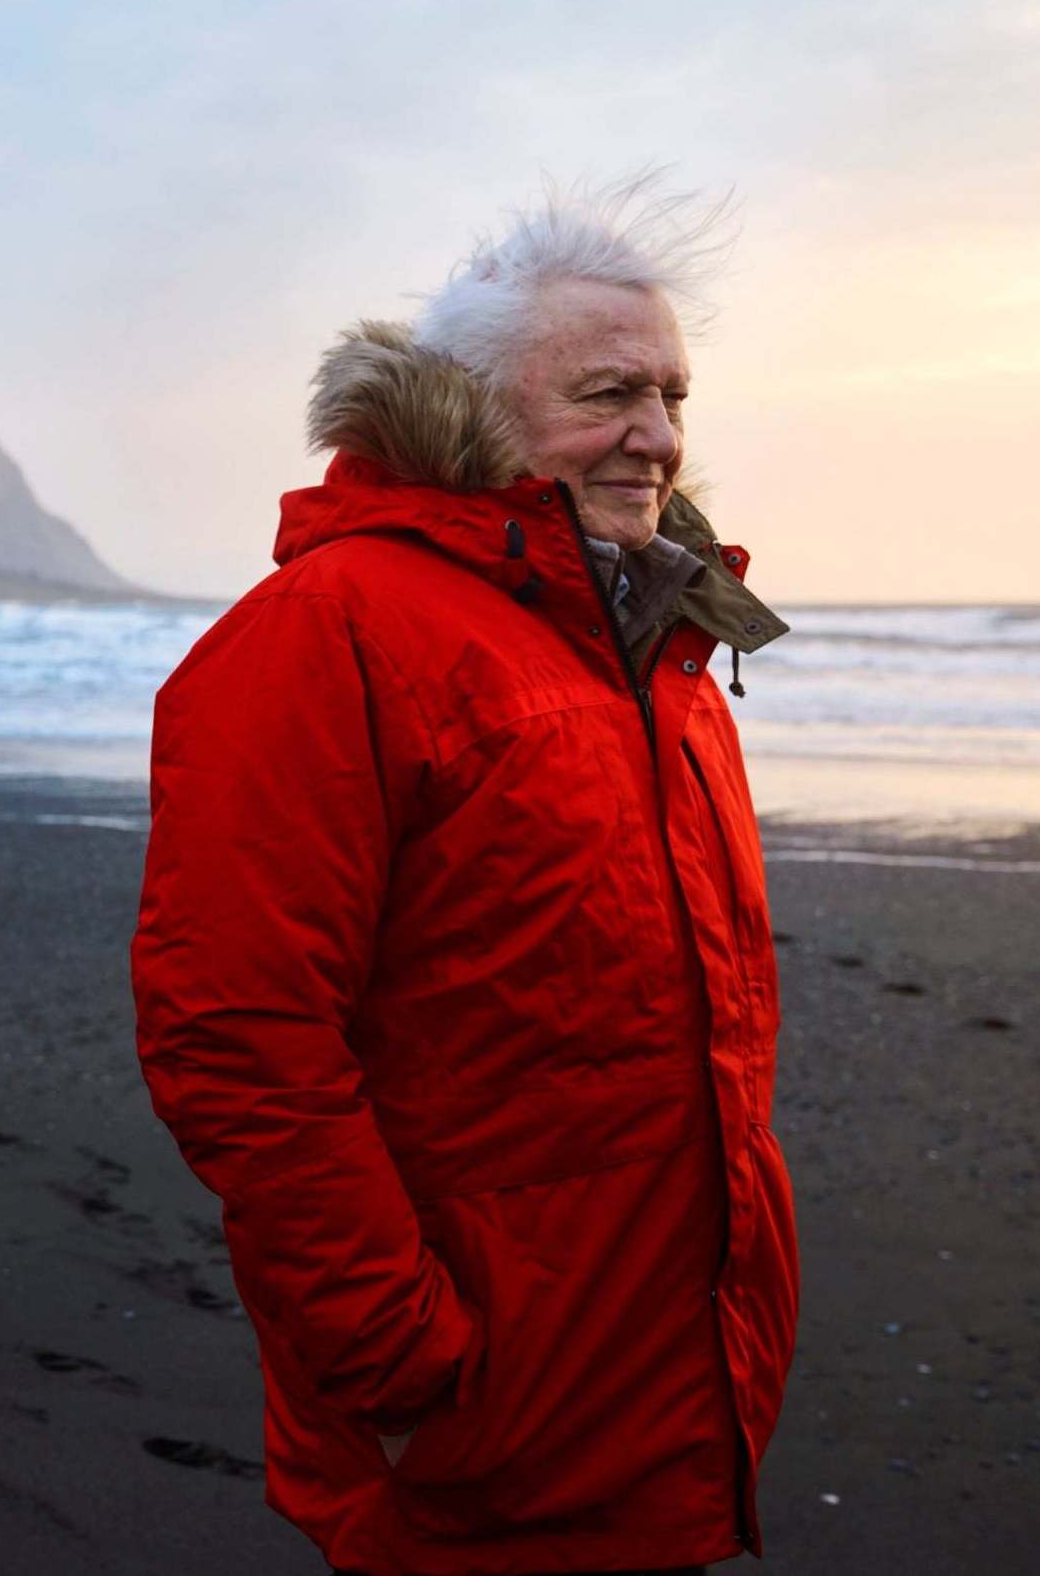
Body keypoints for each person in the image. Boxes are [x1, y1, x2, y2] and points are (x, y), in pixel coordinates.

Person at [129, 173, 799, 1576]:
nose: (658, 437)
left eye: (674, 395)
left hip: (664, 1380)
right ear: (476, 408)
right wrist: (396, 1347)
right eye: (610, 392)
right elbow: (235, 1032)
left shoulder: (658, 647)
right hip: (472, 1411)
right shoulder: (330, 629)